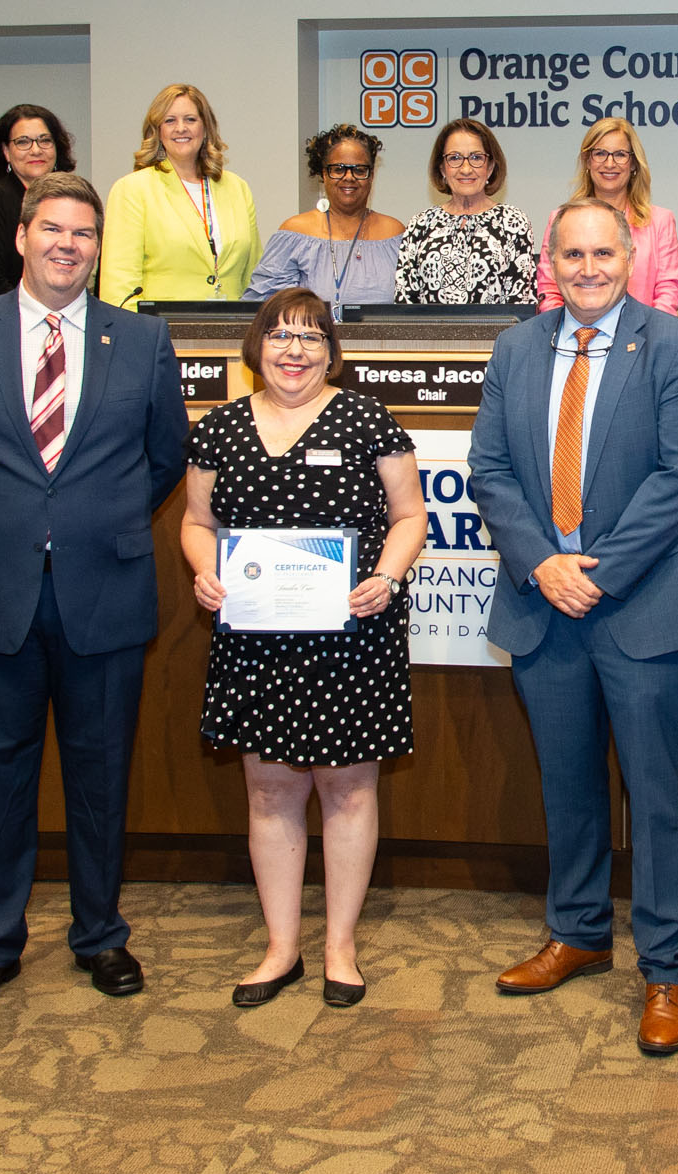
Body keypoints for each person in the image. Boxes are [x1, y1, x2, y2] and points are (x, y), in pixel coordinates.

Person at [0, 172, 189, 1017]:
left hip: (100, 584)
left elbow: (164, 457)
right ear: (25, 236)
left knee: (101, 772)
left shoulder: (140, 340)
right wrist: (15, 520)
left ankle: (100, 934)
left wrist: (84, 520)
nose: (70, 245)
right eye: (55, 230)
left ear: (99, 248)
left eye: (86, 234)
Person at [467, 198, 678, 1054]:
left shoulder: (677, 347)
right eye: (570, 253)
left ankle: (665, 970)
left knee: (657, 801)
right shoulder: (515, 347)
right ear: (551, 260)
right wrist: (543, 564)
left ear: (630, 256)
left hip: (639, 606)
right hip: (543, 602)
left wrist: (597, 574)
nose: (586, 268)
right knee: (566, 785)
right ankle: (576, 933)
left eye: (602, 253)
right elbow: (490, 469)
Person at [180, 289, 424, 1008]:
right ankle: (281, 946)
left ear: (331, 351)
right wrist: (204, 571)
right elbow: (196, 523)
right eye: (281, 336)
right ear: (256, 346)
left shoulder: (367, 418)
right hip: (258, 639)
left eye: (311, 338)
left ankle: (338, 946)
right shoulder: (218, 428)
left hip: (352, 632)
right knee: (270, 790)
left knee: (348, 789)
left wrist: (386, 575)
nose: (295, 351)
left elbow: (409, 514)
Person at [99, 84, 259, 306]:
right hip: (159, 333)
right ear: (157, 130)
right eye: (170, 120)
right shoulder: (132, 189)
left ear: (206, 127)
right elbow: (118, 289)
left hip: (231, 332)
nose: (181, 128)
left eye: (191, 119)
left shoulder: (237, 188)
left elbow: (255, 278)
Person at [535, 118, 678, 315]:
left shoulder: (660, 221)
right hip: (576, 338)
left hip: (643, 338)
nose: (610, 163)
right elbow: (549, 288)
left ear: (633, 164)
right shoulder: (561, 219)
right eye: (600, 154)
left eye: (620, 154)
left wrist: (650, 333)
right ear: (587, 161)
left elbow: (670, 290)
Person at [244, 125, 405, 307]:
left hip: (384, 336)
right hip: (314, 336)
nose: (349, 177)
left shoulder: (395, 233)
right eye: (338, 169)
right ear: (323, 174)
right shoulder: (295, 233)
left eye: (359, 170)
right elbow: (265, 308)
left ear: (371, 176)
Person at [395, 119, 535, 305]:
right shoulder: (420, 224)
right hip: (426, 334)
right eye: (454, 158)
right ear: (442, 168)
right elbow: (404, 301)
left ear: (491, 167)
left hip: (498, 335)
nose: (466, 169)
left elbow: (521, 304)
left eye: (476, 158)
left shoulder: (513, 222)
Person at [0, 104, 77, 303]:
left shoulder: (73, 201)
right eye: (23, 142)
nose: (36, 150)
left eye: (45, 141)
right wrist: (34, 312)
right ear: (6, 151)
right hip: (10, 317)